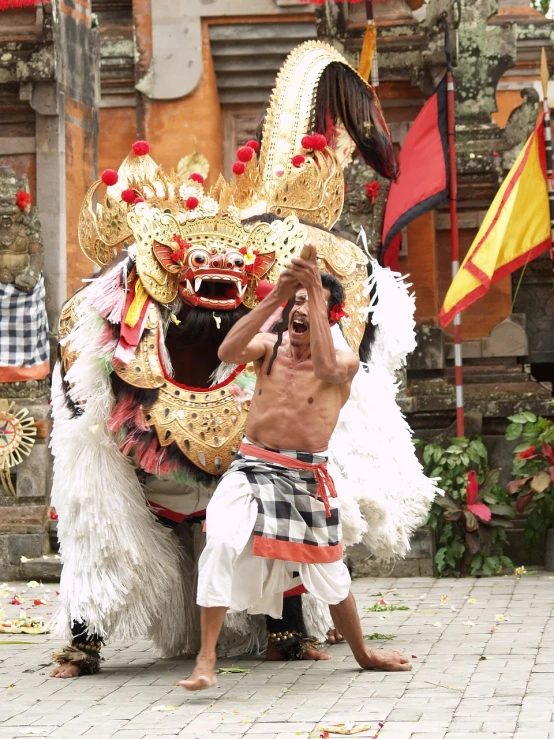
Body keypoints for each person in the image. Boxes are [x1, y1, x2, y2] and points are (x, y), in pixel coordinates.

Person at [179, 245, 412, 691]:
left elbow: (325, 363)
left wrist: (313, 293)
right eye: (299, 302)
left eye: (313, 301)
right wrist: (275, 297)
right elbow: (227, 350)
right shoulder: (270, 347)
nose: (302, 308)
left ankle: (363, 653)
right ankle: (205, 660)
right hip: (252, 467)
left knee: (328, 572)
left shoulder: (343, 361)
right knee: (221, 543)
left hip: (305, 475)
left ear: (332, 313)